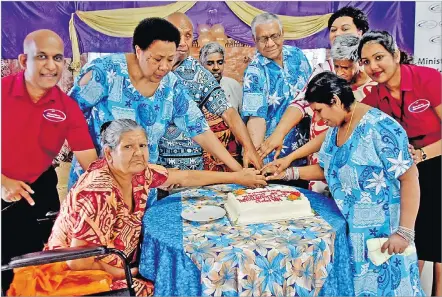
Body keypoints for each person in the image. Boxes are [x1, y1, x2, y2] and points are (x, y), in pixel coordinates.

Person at [7, 119, 266, 297]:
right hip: (74, 277)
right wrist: (124, 271)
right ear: (108, 154)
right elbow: (78, 263)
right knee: (172, 285)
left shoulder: (139, 174)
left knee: (182, 275)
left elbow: (183, 177)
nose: (139, 153)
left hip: (116, 264)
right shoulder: (96, 192)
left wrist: (237, 177)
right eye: (128, 147)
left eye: (142, 145)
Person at [264, 72, 424, 296]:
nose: (317, 119)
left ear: (335, 101)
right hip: (354, 233)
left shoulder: (381, 127)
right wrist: (286, 173)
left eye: (319, 110)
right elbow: (327, 170)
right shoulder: (336, 130)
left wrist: (404, 233)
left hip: (385, 235)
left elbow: (409, 177)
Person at [66, 18, 243, 206]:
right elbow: (70, 116)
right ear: (138, 50)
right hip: (97, 189)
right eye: (157, 59)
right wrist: (98, 174)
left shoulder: (170, 86)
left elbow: (198, 127)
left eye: (170, 59)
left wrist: (237, 171)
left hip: (142, 188)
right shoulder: (106, 73)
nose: (165, 67)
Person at [1, 29, 97, 287]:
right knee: (6, 271)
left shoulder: (67, 107)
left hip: (39, 188)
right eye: (42, 56)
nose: (51, 66)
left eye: (57, 58)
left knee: (42, 264)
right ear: (23, 61)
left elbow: (90, 161)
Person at [359, 30, 441, 296]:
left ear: (395, 54)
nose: (373, 66)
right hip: (409, 174)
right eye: (366, 61)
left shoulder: (427, 78)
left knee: (438, 242)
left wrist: (425, 153)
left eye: (378, 57)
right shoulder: (375, 95)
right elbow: (346, 118)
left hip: (437, 162)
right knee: (413, 236)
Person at [257, 7, 371, 192]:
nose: (337, 34)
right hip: (318, 163)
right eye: (333, 30)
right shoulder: (323, 69)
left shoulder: (375, 77)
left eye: (344, 28)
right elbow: (301, 103)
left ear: (361, 32)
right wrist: (279, 136)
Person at [159, 12, 262, 172]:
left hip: (190, 170)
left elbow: (227, 111)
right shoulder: (147, 68)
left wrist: (248, 148)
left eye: (187, 36)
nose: (183, 43)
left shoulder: (197, 72)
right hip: (151, 166)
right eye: (176, 34)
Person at [241, 12, 312, 178]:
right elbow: (256, 118)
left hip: (307, 152)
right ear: (254, 40)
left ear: (283, 34)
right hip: (275, 160)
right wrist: (257, 157)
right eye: (263, 39)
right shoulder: (255, 71)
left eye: (274, 36)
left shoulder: (297, 55)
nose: (270, 43)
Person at [198, 42, 244, 171]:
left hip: (233, 155)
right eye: (210, 63)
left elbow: (242, 121)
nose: (216, 67)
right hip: (205, 158)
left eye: (220, 62)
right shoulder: (193, 89)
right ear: (201, 65)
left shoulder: (233, 86)